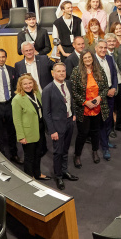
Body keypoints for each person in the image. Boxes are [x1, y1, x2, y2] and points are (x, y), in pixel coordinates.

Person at [41, 62, 79, 190]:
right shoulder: (47, 90)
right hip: (57, 127)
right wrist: (52, 130)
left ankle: (64, 171)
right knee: (58, 152)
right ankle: (58, 176)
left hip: (69, 122)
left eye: (63, 71)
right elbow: (46, 113)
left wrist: (73, 113)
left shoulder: (68, 84)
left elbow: (70, 100)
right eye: (59, 71)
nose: (62, 73)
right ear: (53, 73)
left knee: (66, 149)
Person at [70, 49, 109, 167]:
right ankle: (77, 155)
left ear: (92, 58)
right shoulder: (76, 71)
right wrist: (85, 102)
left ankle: (95, 151)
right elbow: (73, 91)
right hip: (84, 109)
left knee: (95, 131)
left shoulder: (99, 70)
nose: (88, 59)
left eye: (89, 57)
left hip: (97, 107)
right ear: (82, 59)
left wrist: (99, 98)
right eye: (85, 58)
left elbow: (105, 87)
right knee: (82, 133)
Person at [11, 74, 50, 181]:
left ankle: (37, 173)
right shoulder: (17, 99)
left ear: (33, 83)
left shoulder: (36, 93)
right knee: (29, 156)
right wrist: (21, 136)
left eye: (30, 83)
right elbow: (17, 120)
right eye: (25, 84)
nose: (28, 86)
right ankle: (29, 177)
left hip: (40, 128)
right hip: (28, 132)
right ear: (20, 85)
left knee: (38, 153)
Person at [94, 40, 118, 161]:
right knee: (103, 122)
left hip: (111, 93)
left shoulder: (109, 58)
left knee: (109, 121)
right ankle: (104, 147)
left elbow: (114, 74)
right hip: (99, 96)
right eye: (101, 48)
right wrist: (104, 92)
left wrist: (114, 87)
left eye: (105, 47)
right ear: (96, 48)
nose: (103, 50)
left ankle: (106, 140)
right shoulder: (92, 61)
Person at [104, 33, 121, 137]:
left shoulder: (119, 52)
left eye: (113, 41)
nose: (112, 43)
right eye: (109, 41)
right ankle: (111, 128)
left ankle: (120, 125)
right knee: (110, 108)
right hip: (110, 84)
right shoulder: (103, 54)